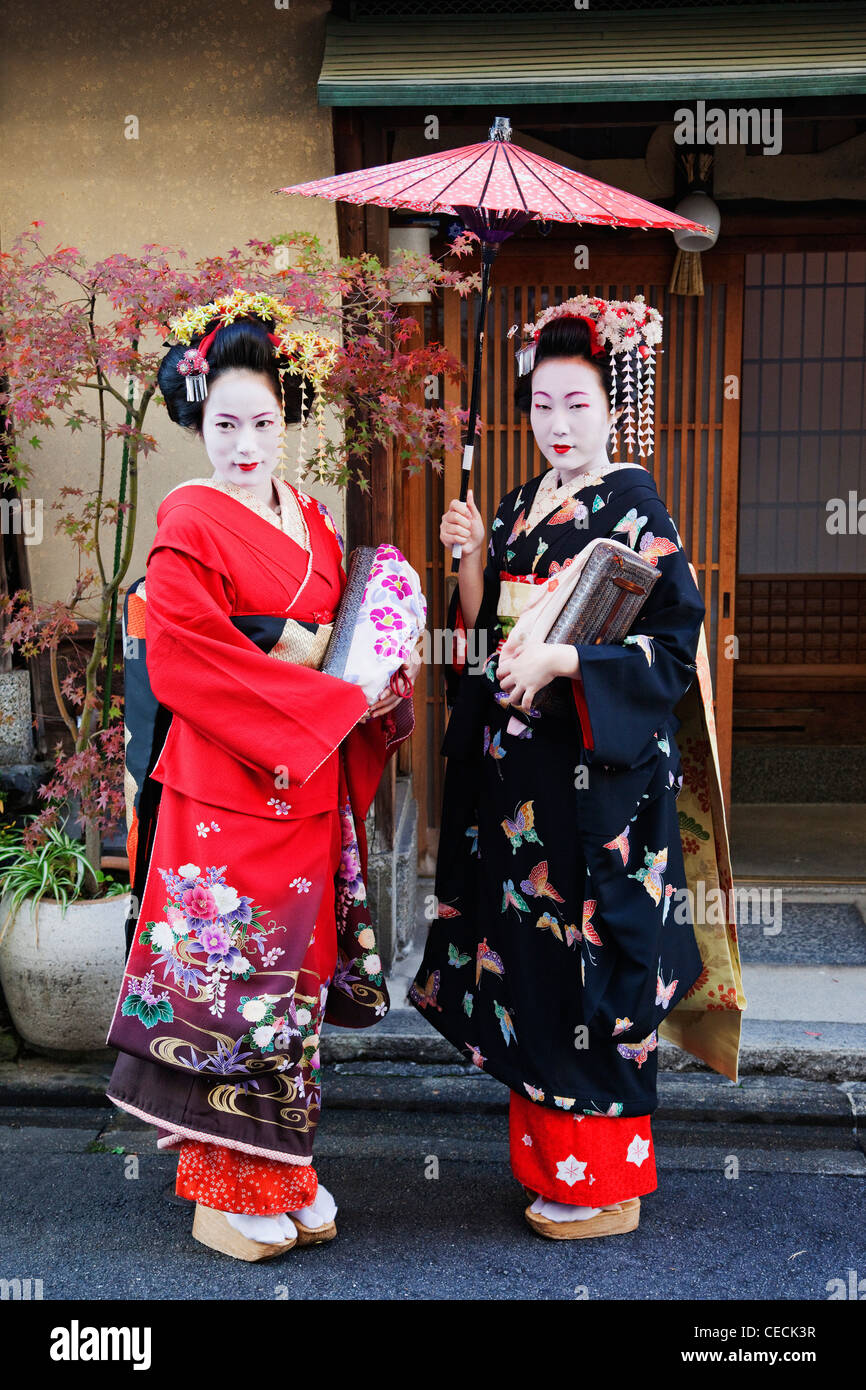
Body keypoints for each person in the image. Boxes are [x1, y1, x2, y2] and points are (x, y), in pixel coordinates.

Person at [409, 296, 741, 1239]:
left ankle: (605, 1183)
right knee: (532, 969)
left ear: (612, 409)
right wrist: (473, 563)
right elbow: (484, 635)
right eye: (543, 405)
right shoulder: (518, 503)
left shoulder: (637, 508)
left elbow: (676, 647)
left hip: (599, 792)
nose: (558, 425)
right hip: (523, 790)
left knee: (596, 969)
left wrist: (568, 663)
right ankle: (552, 1164)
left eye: (578, 405)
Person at [105, 292, 422, 1260]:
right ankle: (221, 1187)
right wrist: (320, 695)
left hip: (305, 784)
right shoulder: (186, 516)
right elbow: (186, 657)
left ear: (289, 423)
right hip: (222, 790)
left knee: (289, 990)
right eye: (223, 424)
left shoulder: (314, 525)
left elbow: (340, 642)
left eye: (262, 424)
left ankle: (282, 1170)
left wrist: (377, 680)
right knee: (228, 986)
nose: (243, 445)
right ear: (200, 423)